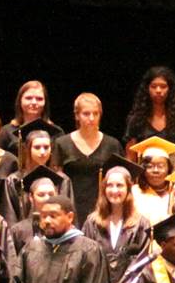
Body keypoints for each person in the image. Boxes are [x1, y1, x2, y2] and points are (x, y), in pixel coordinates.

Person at [53, 92, 123, 224]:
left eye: (95, 114)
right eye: (86, 114)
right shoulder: (62, 143)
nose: (91, 118)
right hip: (71, 208)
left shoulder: (112, 144)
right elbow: (57, 181)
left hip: (103, 209)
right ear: (77, 116)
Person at [88, 161, 151, 283]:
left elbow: (141, 261)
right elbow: (88, 260)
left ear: (128, 188)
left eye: (120, 185)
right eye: (109, 185)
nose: (114, 190)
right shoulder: (92, 222)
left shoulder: (141, 224)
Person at [122, 65, 175, 147]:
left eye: (163, 86)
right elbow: (130, 156)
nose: (158, 90)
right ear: (147, 89)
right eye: (153, 86)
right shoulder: (136, 120)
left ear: (170, 90)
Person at [128, 137, 175, 224]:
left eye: (160, 166)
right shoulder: (134, 192)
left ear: (169, 169)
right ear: (143, 169)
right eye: (150, 166)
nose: (155, 170)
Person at [0, 80, 60, 153]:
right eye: (28, 98)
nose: (34, 102)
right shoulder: (6, 132)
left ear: (45, 103)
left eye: (39, 99)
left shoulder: (56, 132)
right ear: (20, 101)